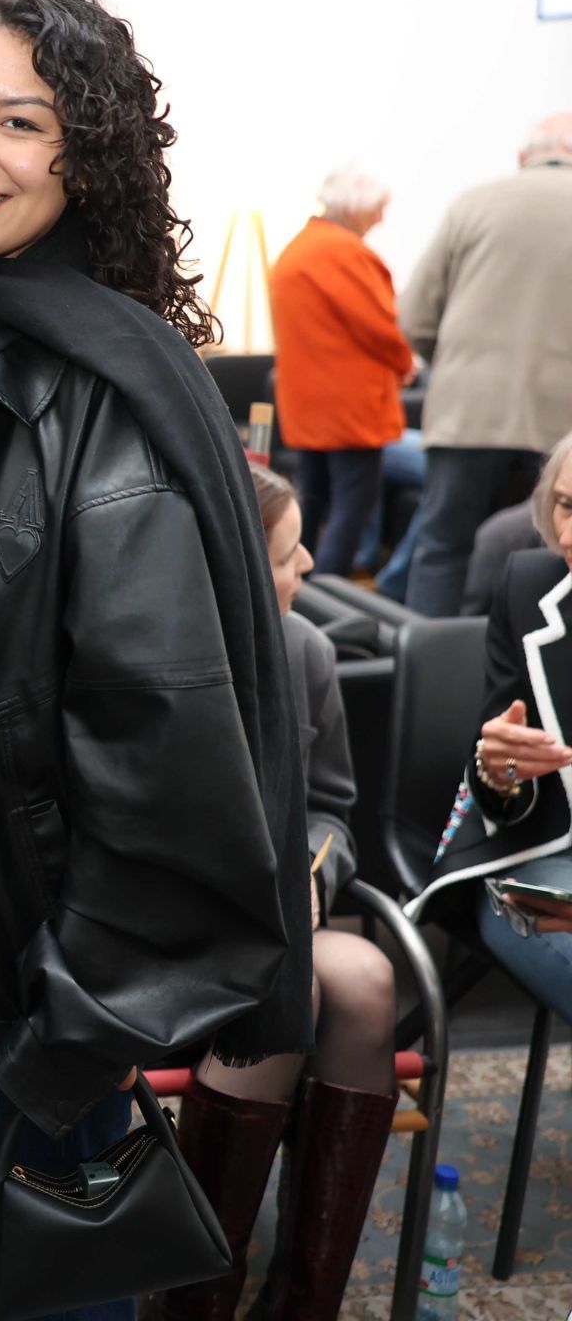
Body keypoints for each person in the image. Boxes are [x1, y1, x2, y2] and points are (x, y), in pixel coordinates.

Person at [0, 0, 308, 1321]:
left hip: (31, 1018)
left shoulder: (104, 399)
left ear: (87, 158)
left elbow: (173, 767)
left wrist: (69, 1041)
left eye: (21, 123)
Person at [153, 462, 397, 1321]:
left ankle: (302, 1303)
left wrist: (314, 871)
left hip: (279, 923)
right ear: (238, 565)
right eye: (291, 555)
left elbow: (333, 808)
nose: (310, 571)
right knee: (290, 982)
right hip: (162, 930)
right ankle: (193, 1302)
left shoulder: (306, 651)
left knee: (365, 981)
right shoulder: (150, 653)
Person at [404, 428, 572, 999]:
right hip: (544, 850)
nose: (567, 535)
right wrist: (502, 769)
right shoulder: (528, 587)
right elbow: (500, 769)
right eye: (565, 506)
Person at [400, 113, 572, 614]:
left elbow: (413, 317)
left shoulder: (471, 203)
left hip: (467, 414)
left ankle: (428, 680)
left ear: (524, 157)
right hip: (561, 423)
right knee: (554, 553)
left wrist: (455, 367)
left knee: (441, 549)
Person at [269, 162, 417, 575]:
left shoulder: (298, 248)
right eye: (379, 208)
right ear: (356, 206)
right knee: (354, 505)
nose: (381, 218)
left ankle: (297, 581)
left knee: (313, 499)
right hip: (349, 407)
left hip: (308, 405)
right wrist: (406, 364)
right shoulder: (345, 253)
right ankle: (328, 587)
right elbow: (379, 327)